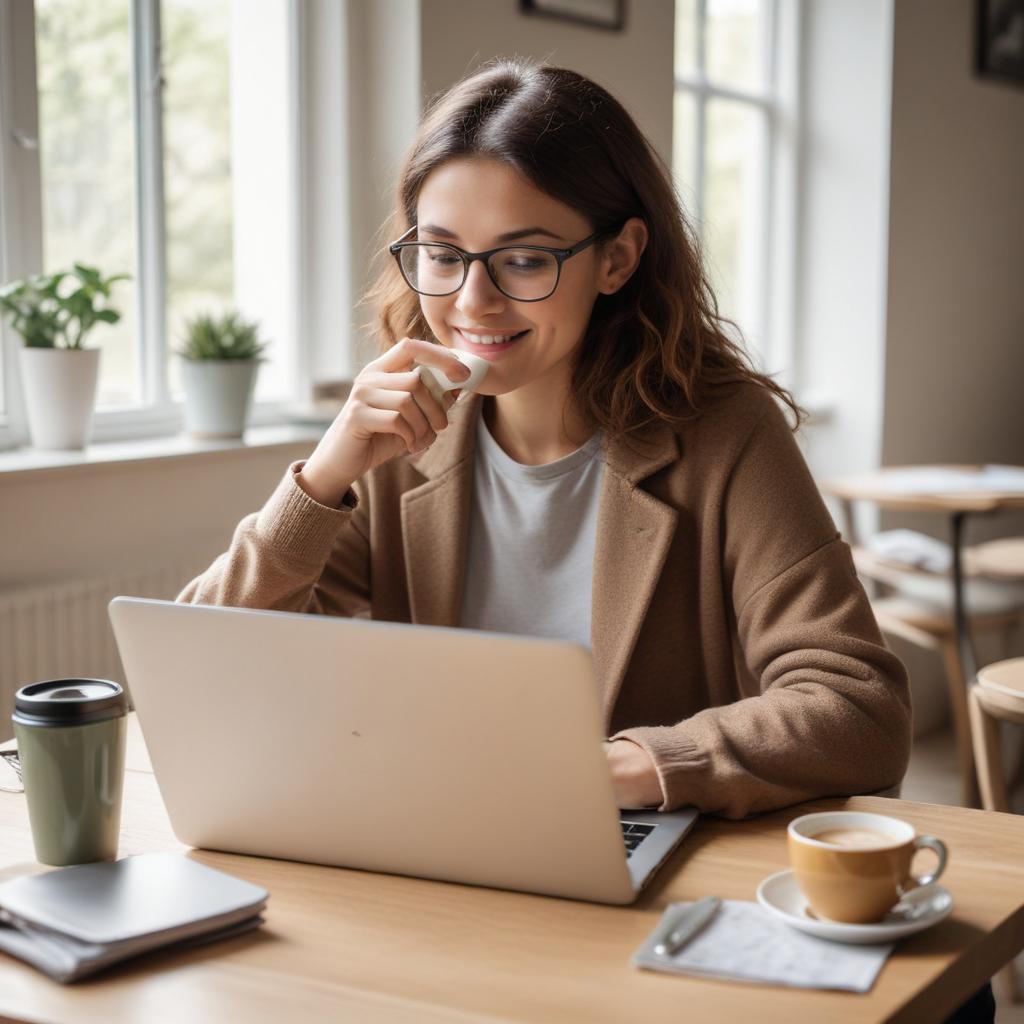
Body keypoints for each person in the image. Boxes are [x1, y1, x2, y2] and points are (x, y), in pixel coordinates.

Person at [177, 57, 912, 820]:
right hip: (430, 830)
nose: (473, 302)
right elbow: (199, 671)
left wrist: (630, 769)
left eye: (524, 260)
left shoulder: (727, 435)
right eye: (443, 255)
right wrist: (322, 481)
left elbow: (860, 708)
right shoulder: (399, 436)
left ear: (617, 259)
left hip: (633, 848)